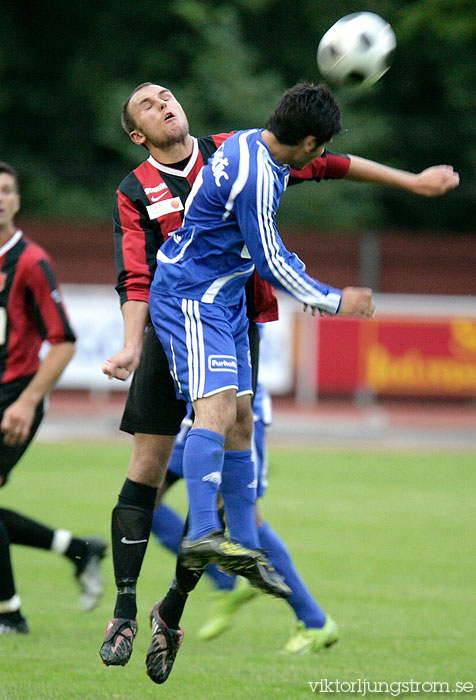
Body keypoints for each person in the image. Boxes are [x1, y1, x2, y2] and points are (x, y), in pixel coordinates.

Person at [99, 80, 459, 680]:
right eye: (147, 103)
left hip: (229, 312)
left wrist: (411, 180)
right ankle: (136, 599)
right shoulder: (140, 188)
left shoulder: (229, 148)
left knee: (234, 422)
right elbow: (147, 272)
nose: (165, 103)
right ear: (138, 133)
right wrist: (336, 298)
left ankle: (208, 572)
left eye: (167, 95)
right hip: (182, 311)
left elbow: (334, 166)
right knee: (163, 457)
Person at [0, 162, 107, 634]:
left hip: (16, 396)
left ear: (17, 201)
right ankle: (78, 550)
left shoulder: (30, 262)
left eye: (6, 191)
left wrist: (26, 402)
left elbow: (63, 340)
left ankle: (11, 615)